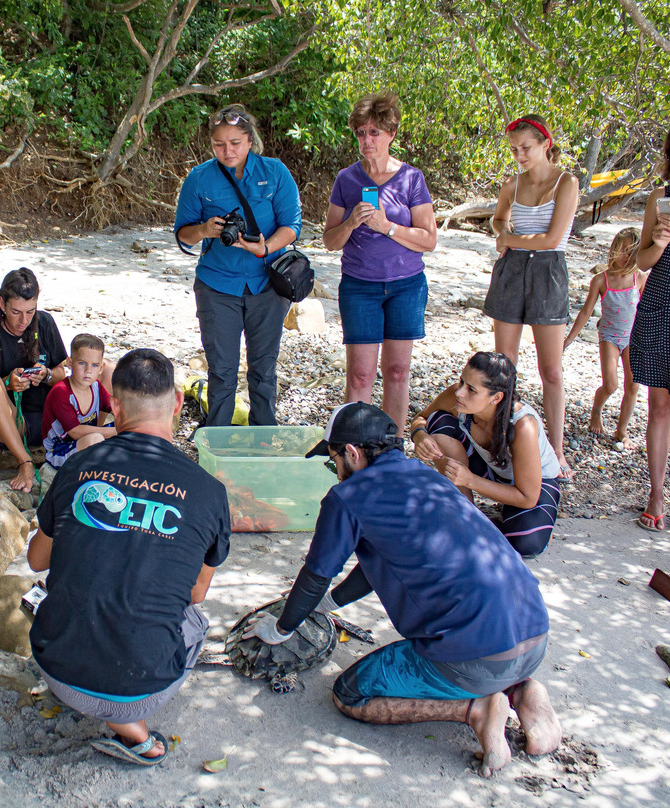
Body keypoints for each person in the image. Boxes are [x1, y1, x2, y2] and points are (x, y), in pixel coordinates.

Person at [245, 402, 561, 778]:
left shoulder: (349, 496)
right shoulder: (429, 478)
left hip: (477, 659)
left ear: (352, 453)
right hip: (534, 635)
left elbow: (316, 574)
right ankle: (523, 692)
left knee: (350, 694)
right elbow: (378, 563)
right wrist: (329, 603)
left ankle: (476, 710)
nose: (337, 472)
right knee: (485, 647)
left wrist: (281, 628)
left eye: (333, 462)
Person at [27, 349, 230, 765]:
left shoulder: (78, 467)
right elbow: (196, 593)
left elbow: (36, 560)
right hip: (141, 691)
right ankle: (130, 725)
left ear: (115, 406)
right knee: (195, 620)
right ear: (177, 402)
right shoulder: (209, 492)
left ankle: (113, 712)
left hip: (58, 670)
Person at [174, 103, 301, 427]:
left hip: (267, 285)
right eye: (218, 144)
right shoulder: (199, 178)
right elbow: (183, 235)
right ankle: (216, 442)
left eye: (235, 143)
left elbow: (292, 225)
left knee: (263, 370)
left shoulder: (274, 172)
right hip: (217, 286)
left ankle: (264, 440)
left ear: (250, 140)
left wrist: (265, 247)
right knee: (222, 371)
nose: (227, 151)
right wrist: (205, 230)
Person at [321, 92, 438, 431]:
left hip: (406, 286)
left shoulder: (411, 179)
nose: (367, 140)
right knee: (360, 375)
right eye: (361, 133)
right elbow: (329, 241)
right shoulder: (347, 179)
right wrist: (351, 223)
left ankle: (392, 447)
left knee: (397, 373)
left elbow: (429, 239)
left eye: (374, 132)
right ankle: (354, 448)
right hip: (360, 286)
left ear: (392, 134)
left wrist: (387, 227)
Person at [483, 115, 579, 478]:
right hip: (512, 270)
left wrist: (509, 239)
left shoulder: (566, 182)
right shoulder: (512, 183)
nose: (519, 155)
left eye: (525, 148)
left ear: (545, 145)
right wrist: (503, 231)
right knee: (504, 366)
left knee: (551, 370)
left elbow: (553, 239)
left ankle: (557, 451)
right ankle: (504, 443)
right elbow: (498, 219)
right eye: (514, 150)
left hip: (548, 272)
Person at [411, 352, 560, 557]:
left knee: (526, 542)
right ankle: (465, 512)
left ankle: (509, 520)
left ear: (496, 398)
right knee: (438, 419)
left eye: (471, 389)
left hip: (533, 484)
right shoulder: (456, 396)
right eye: (462, 381)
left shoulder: (523, 425)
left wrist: (470, 480)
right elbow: (422, 417)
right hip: (491, 468)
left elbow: (527, 497)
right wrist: (419, 436)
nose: (460, 392)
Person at [0, 268, 69, 492]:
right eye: (16, 312)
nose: (24, 321)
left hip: (50, 419)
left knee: (100, 363)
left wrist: (47, 375)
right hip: (12, 424)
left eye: (30, 311)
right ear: (1, 304)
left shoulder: (44, 322)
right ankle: (25, 461)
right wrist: (6, 384)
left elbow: (62, 372)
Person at [563, 227, 646, 447]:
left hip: (633, 338)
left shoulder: (639, 278)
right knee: (611, 385)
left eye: (631, 251)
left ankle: (621, 431)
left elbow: (647, 310)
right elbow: (585, 312)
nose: (626, 256)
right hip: (609, 336)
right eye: (623, 249)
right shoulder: (601, 280)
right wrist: (569, 339)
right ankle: (596, 410)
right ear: (614, 249)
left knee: (633, 386)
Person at [630, 129, 670, 532]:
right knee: (659, 406)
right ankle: (656, 494)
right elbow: (641, 262)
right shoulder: (661, 197)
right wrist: (658, 243)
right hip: (662, 304)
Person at [42, 333, 114, 468]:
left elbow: (116, 408)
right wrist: (118, 431)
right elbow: (75, 432)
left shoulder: (96, 387)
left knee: (132, 425)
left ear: (101, 368)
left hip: (85, 442)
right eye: (82, 363)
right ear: (69, 363)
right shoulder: (61, 392)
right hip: (59, 450)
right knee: (97, 438)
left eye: (94, 365)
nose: (88, 370)